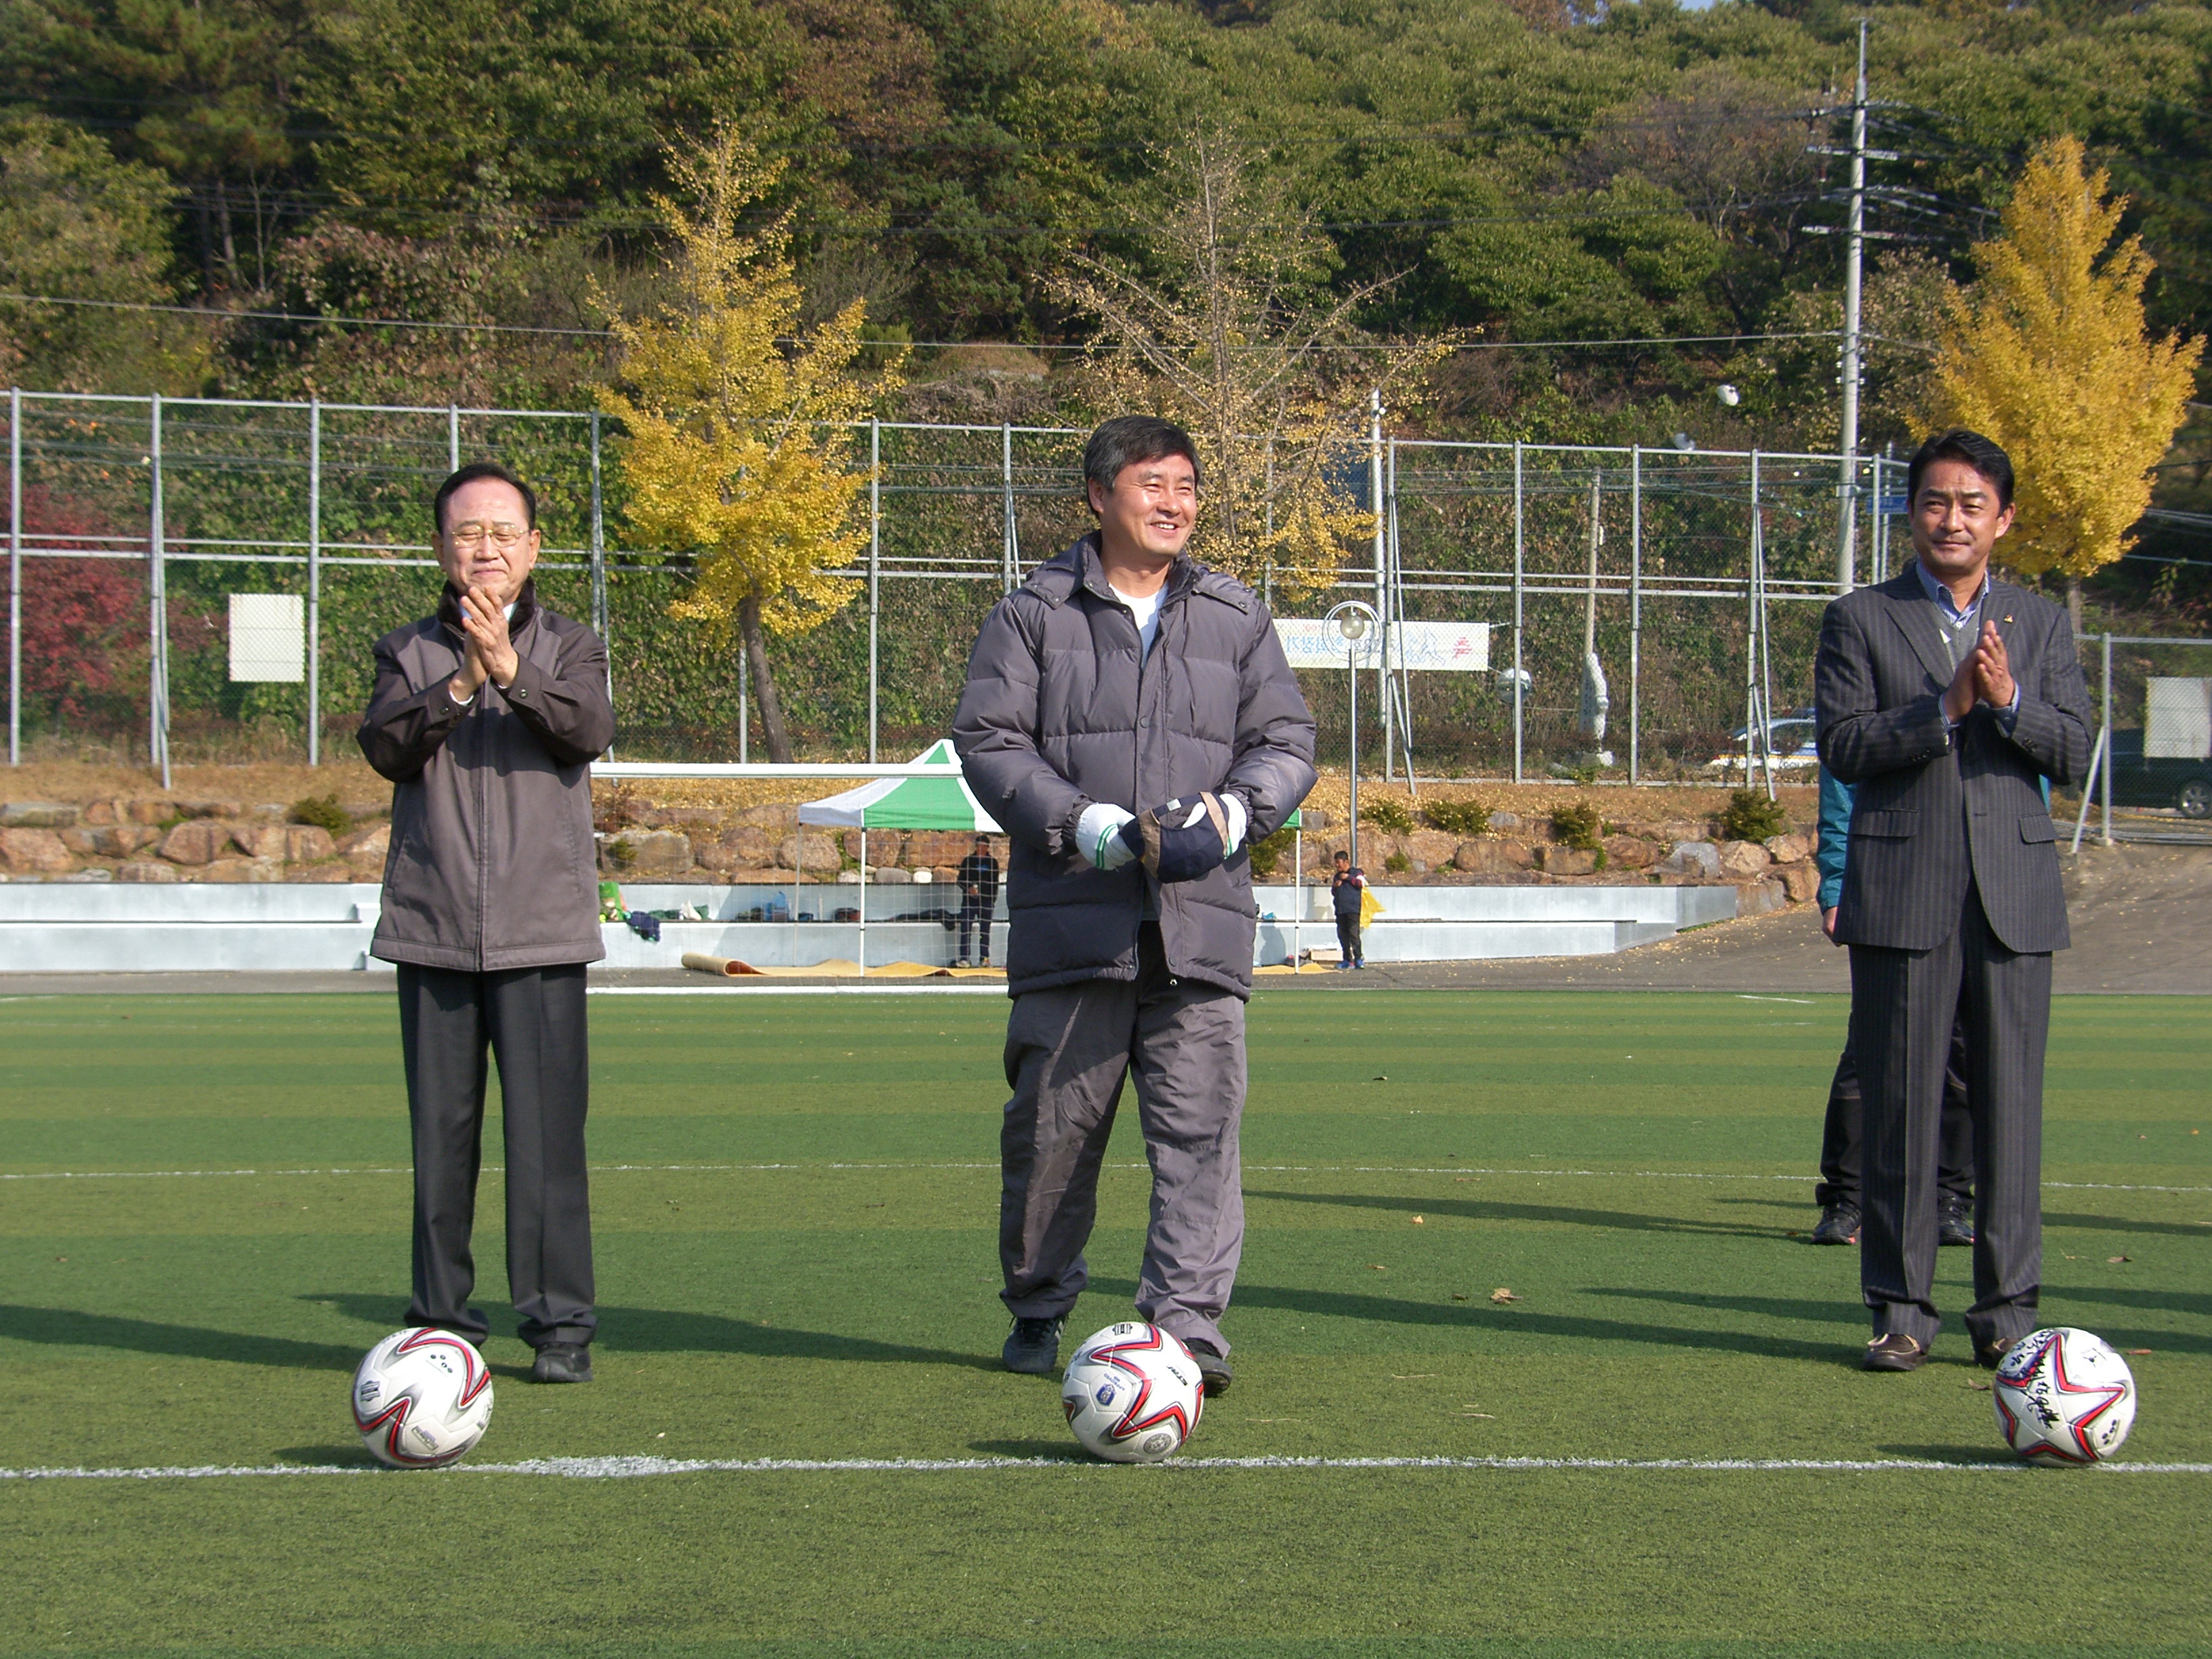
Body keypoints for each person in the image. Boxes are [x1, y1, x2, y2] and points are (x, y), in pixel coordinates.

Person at [954, 414, 1317, 1394]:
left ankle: (1186, 1331)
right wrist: (1080, 824)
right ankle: (1038, 1303)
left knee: (1200, 1138)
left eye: (1187, 486)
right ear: (1098, 495)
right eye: (1153, 484)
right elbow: (989, 742)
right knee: (1052, 1136)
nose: (1174, 503)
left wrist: (1236, 813)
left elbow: (1286, 742)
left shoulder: (1236, 616)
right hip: (1076, 923)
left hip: (1201, 927)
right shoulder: (1032, 614)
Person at [1813, 428, 2091, 1372]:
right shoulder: (1861, 618)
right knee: (1899, 1108)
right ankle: (1901, 1312)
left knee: (2011, 1112)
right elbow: (1844, 745)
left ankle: (2008, 1313)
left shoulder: (2039, 624)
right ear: (1912, 512)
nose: (1953, 519)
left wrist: (2008, 702)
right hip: (1903, 892)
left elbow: (2073, 748)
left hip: (2014, 895)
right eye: (1936, 501)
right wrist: (1944, 712)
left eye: (1973, 504)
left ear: (2002, 520)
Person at [358, 461, 616, 1385]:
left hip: (541, 930)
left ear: (534, 547)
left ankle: (559, 1327)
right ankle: (441, 1324)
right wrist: (464, 681)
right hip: (432, 930)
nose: (488, 548)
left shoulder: (573, 647)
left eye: (505, 532)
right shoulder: (406, 652)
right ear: (442, 549)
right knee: (442, 1142)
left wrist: (512, 671)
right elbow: (387, 746)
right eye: (469, 532)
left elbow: (588, 730)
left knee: (547, 1146)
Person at [1810, 762, 1975, 1249]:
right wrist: (1837, 887)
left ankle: (1948, 1200)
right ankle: (1848, 1199)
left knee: (1965, 1047)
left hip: (1980, 891)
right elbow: (1841, 794)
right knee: (1871, 1047)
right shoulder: (1881, 712)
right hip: (1893, 888)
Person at [956, 834, 1000, 968]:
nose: (981, 849)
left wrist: (992, 900)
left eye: (984, 846)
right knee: (966, 930)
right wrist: (969, 888)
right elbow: (960, 880)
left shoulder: (992, 862)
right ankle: (964, 958)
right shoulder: (968, 861)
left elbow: (995, 883)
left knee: (985, 932)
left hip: (986, 902)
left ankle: (984, 959)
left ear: (988, 847)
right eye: (979, 846)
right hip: (969, 902)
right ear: (976, 847)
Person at [1330, 848, 1368, 970]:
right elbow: (1333, 892)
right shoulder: (1337, 876)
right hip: (1340, 910)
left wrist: (1348, 878)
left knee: (1354, 934)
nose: (1337, 866)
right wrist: (1335, 886)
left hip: (1353, 909)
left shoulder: (1357, 872)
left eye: (1339, 863)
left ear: (1346, 862)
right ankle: (1347, 959)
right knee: (1343, 936)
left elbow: (1361, 884)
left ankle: (1358, 959)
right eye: (1336, 863)